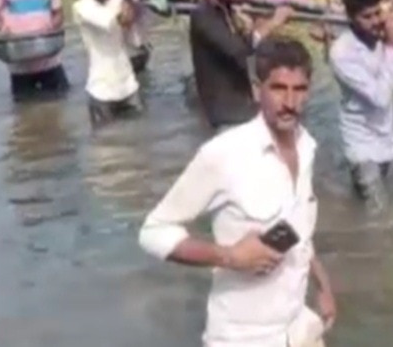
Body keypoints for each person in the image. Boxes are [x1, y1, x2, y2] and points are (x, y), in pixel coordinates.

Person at [139, 37, 337, 347]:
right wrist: (229, 256)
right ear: (258, 90)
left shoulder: (306, 145)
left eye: (299, 90)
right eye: (278, 88)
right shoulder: (224, 154)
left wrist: (323, 288)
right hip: (243, 337)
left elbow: (300, 232)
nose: (289, 101)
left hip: (299, 327)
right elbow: (153, 231)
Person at [329, 0, 393, 209]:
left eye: (377, 13)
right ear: (351, 18)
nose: (374, 21)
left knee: (370, 207)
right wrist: (391, 47)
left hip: (385, 141)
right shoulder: (342, 52)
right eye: (366, 17)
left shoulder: (384, 39)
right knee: (378, 211)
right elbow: (380, 99)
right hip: (361, 147)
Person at [190, 0, 290, 129]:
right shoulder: (203, 15)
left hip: (241, 103)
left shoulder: (225, 7)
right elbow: (238, 50)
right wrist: (273, 23)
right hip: (226, 113)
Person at [72, 0, 142, 125]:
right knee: (106, 146)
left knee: (138, 142)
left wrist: (128, 3)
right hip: (101, 91)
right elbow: (108, 21)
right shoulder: (82, 6)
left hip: (128, 86)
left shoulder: (116, 1)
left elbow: (133, 35)